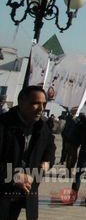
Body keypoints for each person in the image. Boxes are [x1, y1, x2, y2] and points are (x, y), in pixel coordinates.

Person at [0, 85, 56, 220]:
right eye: (35, 103)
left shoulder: (42, 127)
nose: (41, 108)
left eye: (44, 104)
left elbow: (50, 148)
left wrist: (47, 162)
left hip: (24, 193)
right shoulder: (3, 125)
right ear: (21, 102)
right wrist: (14, 176)